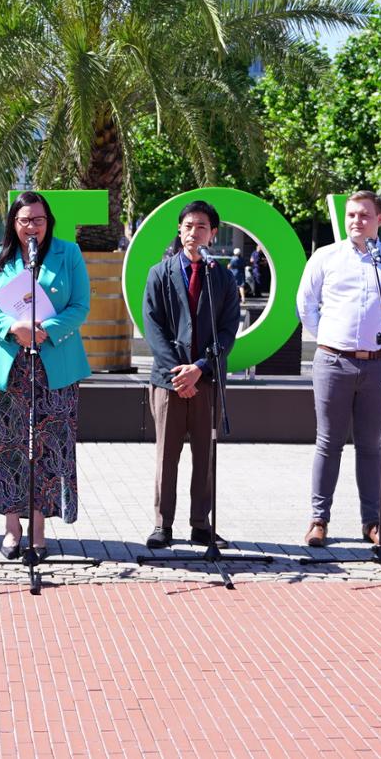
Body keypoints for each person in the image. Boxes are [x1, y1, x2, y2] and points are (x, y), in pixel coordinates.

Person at [0, 191, 91, 561]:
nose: (31, 227)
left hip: (55, 363)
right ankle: (11, 527)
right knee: (7, 444)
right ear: (13, 224)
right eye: (24, 221)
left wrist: (46, 329)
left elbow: (80, 305)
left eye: (38, 219)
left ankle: (38, 528)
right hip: (6, 364)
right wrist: (13, 327)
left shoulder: (69, 255)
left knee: (50, 445)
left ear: (49, 222)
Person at [295, 190, 381, 550]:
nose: (356, 221)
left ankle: (373, 523)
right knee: (328, 442)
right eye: (351, 215)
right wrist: (330, 338)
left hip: (378, 366)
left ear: (380, 220)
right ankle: (319, 521)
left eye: (364, 215)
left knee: (371, 446)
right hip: (333, 362)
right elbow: (305, 303)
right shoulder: (326, 257)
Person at [140, 201, 242, 549]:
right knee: (167, 455)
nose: (192, 233)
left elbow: (227, 331)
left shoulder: (223, 277)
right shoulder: (160, 273)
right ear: (179, 230)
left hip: (207, 380)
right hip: (168, 383)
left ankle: (201, 523)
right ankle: (161, 524)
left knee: (205, 454)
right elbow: (152, 327)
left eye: (201, 227)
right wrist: (178, 375)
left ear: (213, 234)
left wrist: (200, 367)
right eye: (187, 226)